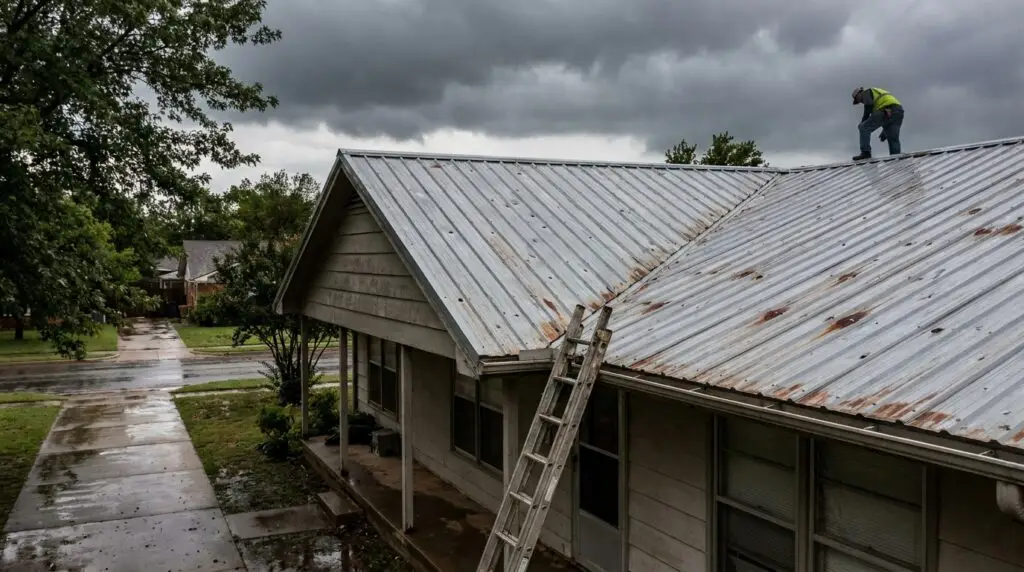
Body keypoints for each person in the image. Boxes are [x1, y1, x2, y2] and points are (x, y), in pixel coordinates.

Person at [851, 87, 904, 161]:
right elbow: (888, 118)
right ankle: (896, 158)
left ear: (859, 93)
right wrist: (885, 131)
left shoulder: (866, 92)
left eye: (858, 100)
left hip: (885, 110)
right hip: (898, 111)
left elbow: (867, 110)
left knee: (863, 127)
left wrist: (862, 123)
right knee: (893, 138)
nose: (861, 102)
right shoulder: (878, 93)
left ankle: (866, 153)